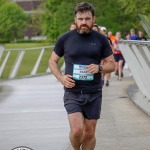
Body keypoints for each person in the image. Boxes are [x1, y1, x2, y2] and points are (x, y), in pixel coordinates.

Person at [49, 2, 115, 150]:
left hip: (94, 92)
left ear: (93, 19)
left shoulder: (101, 39)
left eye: (87, 18)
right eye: (80, 19)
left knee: (89, 133)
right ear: (75, 19)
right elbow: (52, 61)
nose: (84, 22)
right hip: (72, 91)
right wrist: (61, 78)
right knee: (77, 130)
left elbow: (112, 64)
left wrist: (99, 68)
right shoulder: (65, 39)